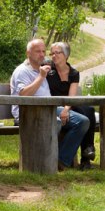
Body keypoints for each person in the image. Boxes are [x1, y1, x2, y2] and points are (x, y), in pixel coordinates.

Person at [10, 38, 89, 170]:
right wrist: (41, 77)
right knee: (56, 122)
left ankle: (61, 161)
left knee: (83, 121)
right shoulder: (22, 71)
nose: (42, 54)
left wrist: (66, 108)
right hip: (27, 112)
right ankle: (43, 162)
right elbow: (23, 95)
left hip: (49, 109)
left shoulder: (44, 69)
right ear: (28, 53)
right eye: (37, 51)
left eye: (43, 51)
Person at [46, 41, 96, 170]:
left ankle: (86, 154)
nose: (54, 56)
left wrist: (66, 109)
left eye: (58, 53)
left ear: (66, 55)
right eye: (52, 53)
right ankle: (86, 153)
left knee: (89, 110)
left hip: (68, 104)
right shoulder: (48, 69)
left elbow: (71, 95)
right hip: (53, 106)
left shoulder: (73, 73)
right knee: (85, 116)